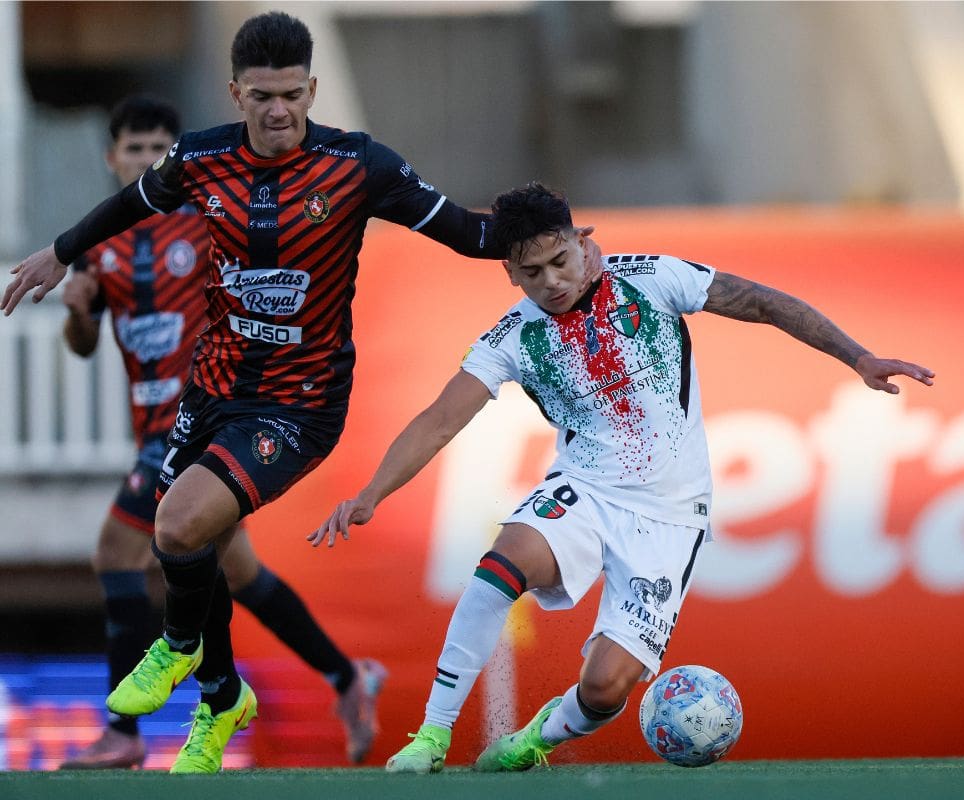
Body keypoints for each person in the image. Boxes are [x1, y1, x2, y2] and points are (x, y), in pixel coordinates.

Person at [1, 12, 562, 773]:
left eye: (292, 95)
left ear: (313, 89)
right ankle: (220, 699)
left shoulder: (358, 165)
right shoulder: (200, 158)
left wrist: (558, 239)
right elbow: (134, 201)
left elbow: (469, 233)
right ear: (236, 92)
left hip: (301, 403)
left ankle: (178, 647)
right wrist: (58, 253)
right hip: (214, 386)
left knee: (176, 525)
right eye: (263, 96)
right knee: (188, 547)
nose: (278, 111)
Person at [309, 182, 936, 773]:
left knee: (606, 689)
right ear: (509, 272)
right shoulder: (512, 336)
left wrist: (859, 357)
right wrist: (371, 494)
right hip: (585, 491)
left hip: (671, 517)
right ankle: (432, 736)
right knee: (501, 565)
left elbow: (763, 302)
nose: (551, 282)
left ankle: (534, 740)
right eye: (531, 273)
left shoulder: (652, 279)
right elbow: (440, 419)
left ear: (583, 241)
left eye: (560, 260)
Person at [55, 95, 387, 770]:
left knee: (119, 553)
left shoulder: (209, 222)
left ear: (174, 157)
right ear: (113, 159)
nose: (148, 160)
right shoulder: (103, 245)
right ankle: (345, 677)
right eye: (135, 150)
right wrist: (79, 311)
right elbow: (84, 344)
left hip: (218, 418)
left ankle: (125, 730)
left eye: (159, 149)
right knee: (237, 573)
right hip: (163, 428)